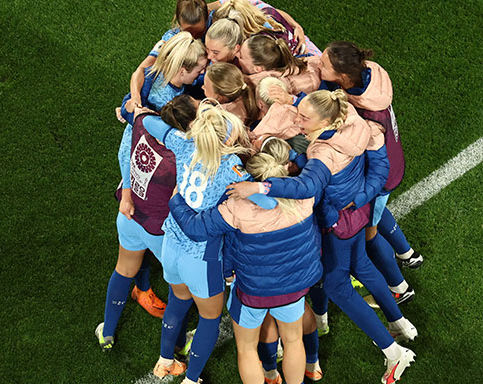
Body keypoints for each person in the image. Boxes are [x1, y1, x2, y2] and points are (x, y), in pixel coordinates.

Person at [226, 90, 417, 384]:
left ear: (325, 119)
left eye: (304, 117)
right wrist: (295, 156)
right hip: (357, 214)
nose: (298, 120)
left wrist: (261, 188)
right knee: (362, 265)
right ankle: (399, 322)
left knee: (337, 286)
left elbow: (308, 187)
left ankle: (393, 352)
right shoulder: (349, 123)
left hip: (338, 224)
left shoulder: (322, 152)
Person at [169, 138, 322, 384]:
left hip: (252, 292)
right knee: (293, 341)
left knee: (247, 350)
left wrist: (175, 200)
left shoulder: (238, 207)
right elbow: (314, 172)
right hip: (293, 288)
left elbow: (195, 228)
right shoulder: (304, 197)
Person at [142, 101, 251, 384]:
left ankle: (165, 360)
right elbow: (262, 199)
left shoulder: (185, 146)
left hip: (172, 245)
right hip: (202, 257)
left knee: (178, 299)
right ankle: (192, 380)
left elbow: (150, 123)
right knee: (210, 318)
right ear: (226, 137)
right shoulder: (232, 167)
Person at [320, 41, 422, 305]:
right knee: (378, 211)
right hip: (394, 161)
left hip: (381, 177)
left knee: (369, 230)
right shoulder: (369, 75)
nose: (319, 65)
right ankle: (407, 253)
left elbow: (360, 145)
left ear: (342, 76)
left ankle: (398, 288)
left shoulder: (369, 113)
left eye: (324, 64)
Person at [96, 96, 199, 350]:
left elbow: (130, 107)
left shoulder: (143, 123)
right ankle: (178, 343)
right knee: (182, 289)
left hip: (129, 214)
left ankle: (106, 332)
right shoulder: (183, 155)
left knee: (124, 270)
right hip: (160, 231)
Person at [126, 0, 211, 114]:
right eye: (187, 32)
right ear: (178, 21)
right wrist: (135, 98)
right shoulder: (170, 39)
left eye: (199, 32)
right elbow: (143, 69)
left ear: (208, 17)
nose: (192, 37)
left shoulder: (215, 31)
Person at [212, 0, 321, 56]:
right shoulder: (266, 12)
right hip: (305, 50)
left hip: (300, 63)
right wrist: (297, 26)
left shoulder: (257, 44)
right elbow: (279, 12)